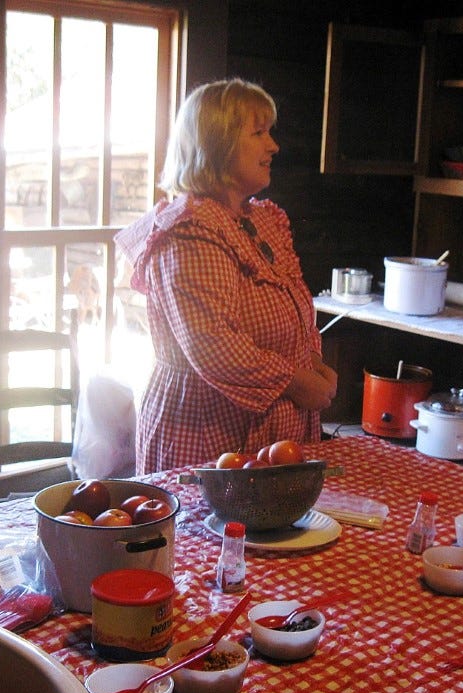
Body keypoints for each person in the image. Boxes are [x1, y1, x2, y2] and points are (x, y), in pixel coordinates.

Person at [114, 79, 337, 474]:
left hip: (272, 439)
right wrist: (297, 382)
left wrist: (312, 360)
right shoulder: (189, 229)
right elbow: (212, 344)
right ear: (217, 143)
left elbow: (292, 311)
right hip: (207, 436)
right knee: (210, 537)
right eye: (258, 133)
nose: (273, 146)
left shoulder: (260, 221)